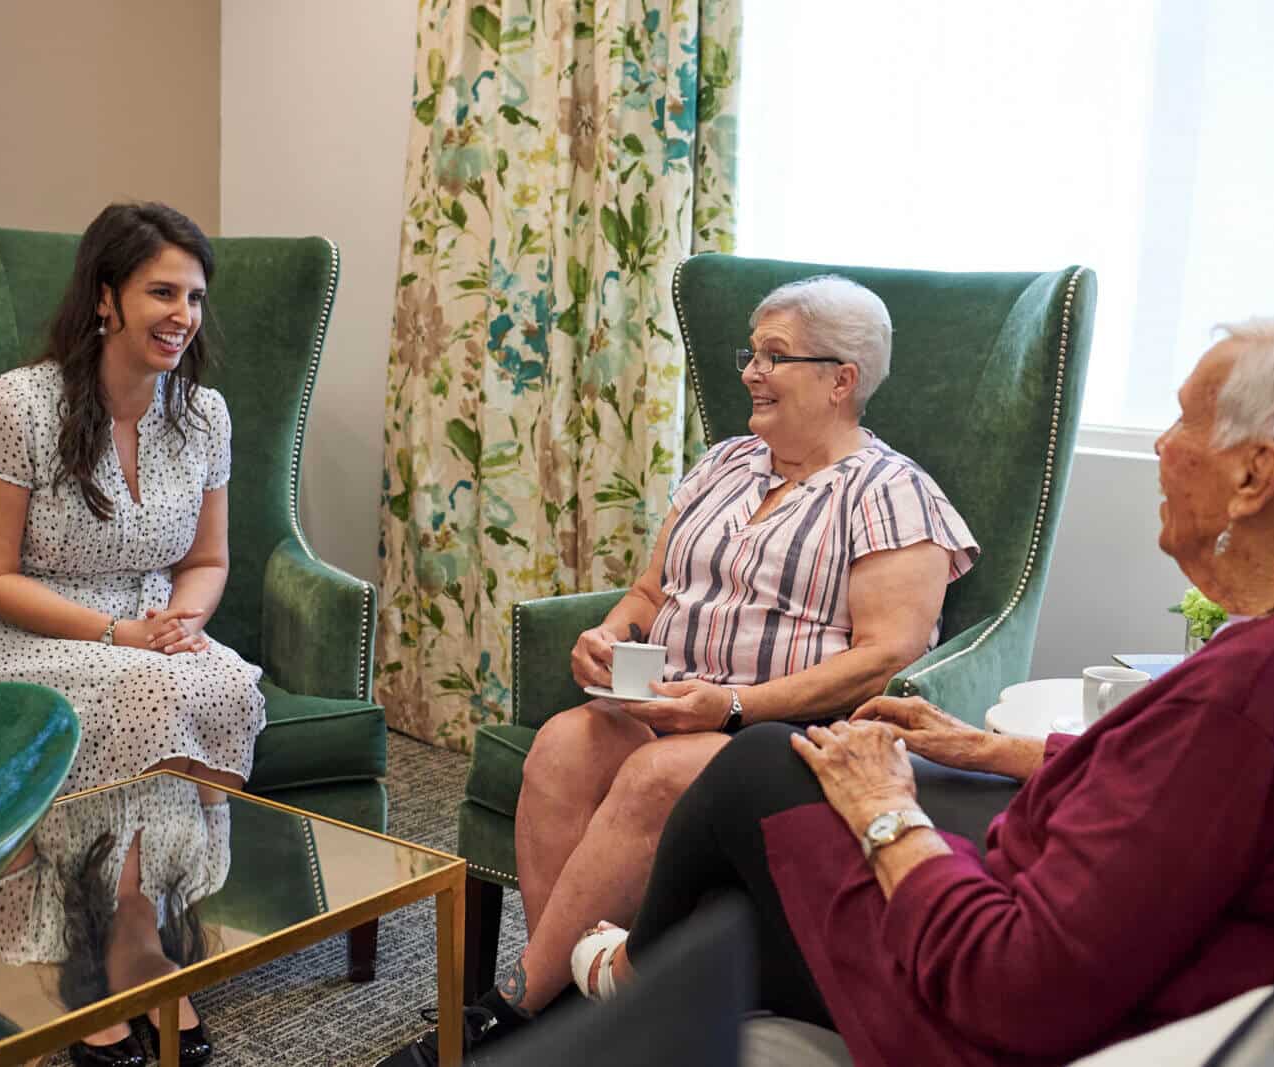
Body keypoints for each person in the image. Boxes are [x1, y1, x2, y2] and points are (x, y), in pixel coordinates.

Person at [567, 316, 1274, 1067]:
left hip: (990, 1019)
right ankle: (661, 983)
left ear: (1254, 477)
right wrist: (995, 749)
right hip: (1150, 943)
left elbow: (1009, 988)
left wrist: (889, 814)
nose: (1163, 446)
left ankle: (630, 977)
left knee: (769, 761)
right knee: (877, 787)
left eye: (1182, 425)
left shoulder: (1252, 696)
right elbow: (1192, 811)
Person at [377, 275, 979, 1065]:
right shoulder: (728, 462)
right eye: (750, 353)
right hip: (671, 703)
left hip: (786, 736)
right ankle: (580, 1009)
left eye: (775, 356)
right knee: (561, 743)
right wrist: (609, 631)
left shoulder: (893, 493)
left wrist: (732, 704)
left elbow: (887, 653)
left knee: (659, 774)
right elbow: (651, 590)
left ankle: (512, 1010)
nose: (750, 373)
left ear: (842, 380)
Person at [0, 201, 265, 800]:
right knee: (155, 690)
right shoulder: (17, 404)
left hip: (154, 638)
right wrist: (116, 634)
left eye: (195, 297)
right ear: (105, 298)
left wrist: (180, 626)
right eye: (163, 292)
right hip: (33, 642)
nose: (184, 314)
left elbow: (205, 561)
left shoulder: (205, 415)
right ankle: (121, 888)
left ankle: (193, 880)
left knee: (230, 686)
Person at [0, 774, 230, 1067]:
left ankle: (94, 994)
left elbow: (2, 797)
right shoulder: (205, 871)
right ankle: (103, 995)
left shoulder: (31, 928)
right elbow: (217, 755)